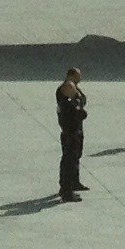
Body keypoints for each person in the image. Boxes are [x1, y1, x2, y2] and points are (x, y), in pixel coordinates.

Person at [54, 65, 88, 199]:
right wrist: (79, 103)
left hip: (75, 128)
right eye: (78, 75)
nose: (80, 78)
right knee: (69, 159)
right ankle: (66, 190)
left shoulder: (73, 87)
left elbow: (81, 101)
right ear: (72, 76)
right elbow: (79, 104)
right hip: (70, 130)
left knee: (75, 157)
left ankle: (74, 182)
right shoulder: (68, 86)